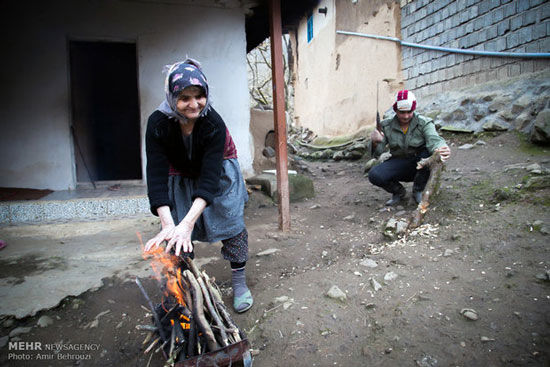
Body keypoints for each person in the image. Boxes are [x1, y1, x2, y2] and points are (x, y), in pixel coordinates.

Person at [144, 59, 253, 313]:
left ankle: (239, 283)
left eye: (199, 96)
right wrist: (170, 224)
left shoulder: (213, 123)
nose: (194, 104)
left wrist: (189, 222)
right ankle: (184, 287)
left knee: (232, 226)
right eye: (184, 98)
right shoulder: (157, 124)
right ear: (172, 97)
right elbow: (156, 175)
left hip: (219, 174)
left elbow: (210, 178)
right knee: (177, 238)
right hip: (179, 176)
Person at [369, 90, 451, 206]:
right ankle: (399, 192)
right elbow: (376, 154)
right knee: (374, 174)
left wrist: (441, 148)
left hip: (421, 165)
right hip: (399, 163)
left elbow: (434, 140)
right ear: (395, 110)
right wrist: (374, 142)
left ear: (414, 109)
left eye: (409, 112)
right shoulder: (386, 126)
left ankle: (418, 190)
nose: (406, 116)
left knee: (427, 153)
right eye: (402, 112)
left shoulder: (424, 123)